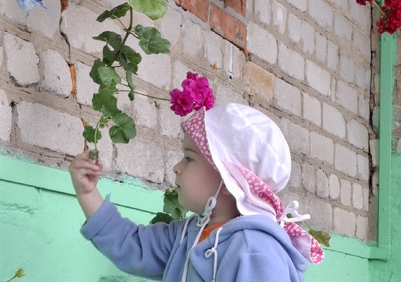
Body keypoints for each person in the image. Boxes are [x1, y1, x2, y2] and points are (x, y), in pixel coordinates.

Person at [69, 103, 324, 282]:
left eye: (189, 158)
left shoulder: (255, 251)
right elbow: (132, 246)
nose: (177, 167)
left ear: (228, 179)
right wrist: (88, 193)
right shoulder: (187, 235)